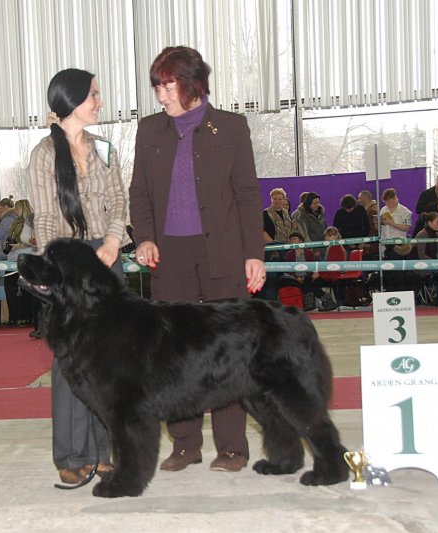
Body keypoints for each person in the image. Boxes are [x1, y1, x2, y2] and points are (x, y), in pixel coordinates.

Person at [130, 46, 266, 474]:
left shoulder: (231, 127)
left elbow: (247, 194)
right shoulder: (149, 130)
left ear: (192, 84)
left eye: (167, 84)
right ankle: (185, 445)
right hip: (169, 258)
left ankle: (232, 448)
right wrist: (146, 238)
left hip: (223, 254)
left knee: (228, 351)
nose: (160, 95)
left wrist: (253, 254)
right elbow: (139, 193)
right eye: (156, 85)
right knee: (174, 356)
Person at [28, 68, 128, 484]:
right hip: (68, 261)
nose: (100, 103)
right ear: (70, 102)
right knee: (69, 360)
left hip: (107, 259)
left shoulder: (105, 148)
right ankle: (71, 455)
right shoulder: (44, 154)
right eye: (94, 95)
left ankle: (108, 450)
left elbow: (120, 201)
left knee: (110, 359)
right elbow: (46, 216)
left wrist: (112, 241)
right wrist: (53, 267)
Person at [379, 188, 412, 258]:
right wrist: (379, 222)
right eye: (385, 202)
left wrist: (393, 224)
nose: (387, 204)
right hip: (385, 243)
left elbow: (407, 228)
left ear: (395, 199)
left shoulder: (405, 212)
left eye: (389, 202)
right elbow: (381, 226)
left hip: (398, 244)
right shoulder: (383, 209)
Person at [357, 189, 379, 258]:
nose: (358, 200)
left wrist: (368, 242)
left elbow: (374, 228)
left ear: (365, 198)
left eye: (359, 198)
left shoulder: (372, 210)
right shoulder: (369, 210)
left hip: (371, 247)